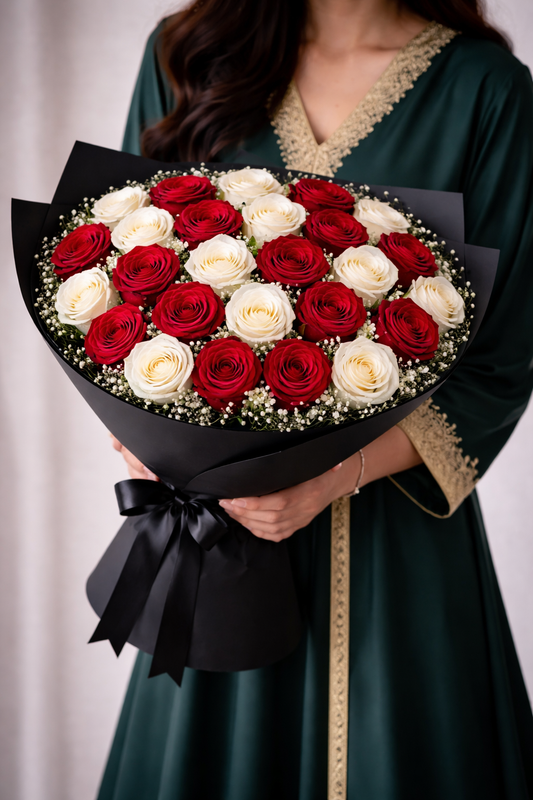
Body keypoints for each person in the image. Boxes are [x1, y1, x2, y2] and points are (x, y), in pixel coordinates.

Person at [99, 1, 533, 798]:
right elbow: (115, 302)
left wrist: (333, 476)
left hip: (399, 538)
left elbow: (500, 360)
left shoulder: (487, 89)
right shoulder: (186, 54)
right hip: (215, 537)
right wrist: (157, 447)